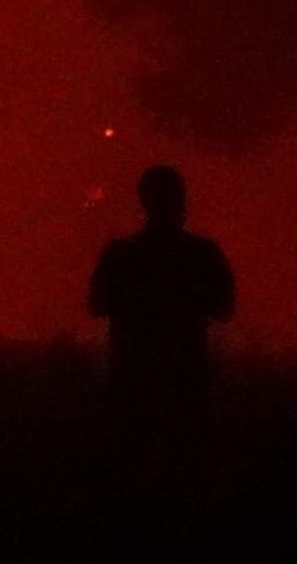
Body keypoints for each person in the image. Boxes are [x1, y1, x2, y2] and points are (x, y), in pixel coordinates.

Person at [88, 163, 236, 468]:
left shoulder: (121, 253)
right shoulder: (201, 253)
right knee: (187, 467)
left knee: (129, 464)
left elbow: (97, 305)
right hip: (185, 379)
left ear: (143, 201)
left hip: (133, 376)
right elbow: (223, 309)